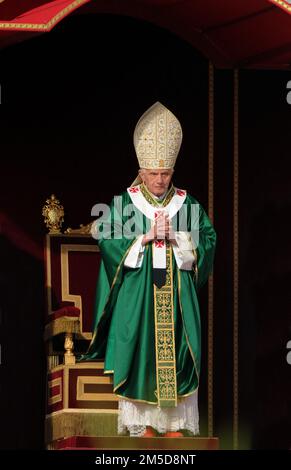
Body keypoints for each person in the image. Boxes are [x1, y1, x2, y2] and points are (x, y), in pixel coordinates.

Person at [81, 102, 216, 438]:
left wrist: (181, 239)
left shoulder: (188, 204)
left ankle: (175, 431)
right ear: (141, 172)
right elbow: (107, 240)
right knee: (141, 355)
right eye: (153, 173)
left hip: (178, 304)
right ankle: (143, 431)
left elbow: (209, 241)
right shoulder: (124, 203)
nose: (159, 180)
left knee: (179, 364)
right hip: (139, 302)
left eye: (165, 173)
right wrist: (143, 238)